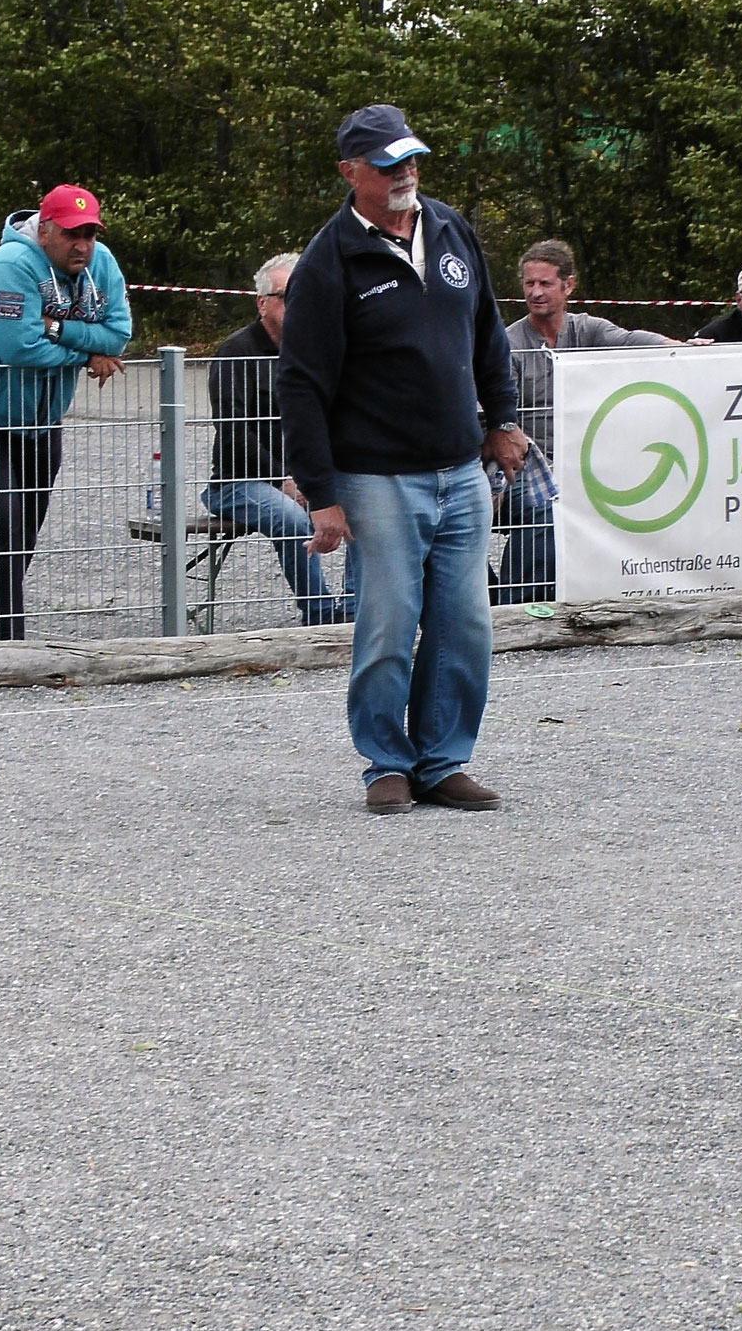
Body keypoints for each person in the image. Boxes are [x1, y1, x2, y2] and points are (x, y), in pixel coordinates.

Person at [277, 103, 528, 814]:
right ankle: (386, 761)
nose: (405, 172)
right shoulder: (328, 262)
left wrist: (502, 419)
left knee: (464, 623)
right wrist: (322, 493)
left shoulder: (449, 228)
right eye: (388, 164)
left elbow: (487, 333)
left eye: (410, 158)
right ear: (349, 172)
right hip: (376, 475)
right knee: (388, 621)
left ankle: (442, 760)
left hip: (460, 468)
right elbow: (300, 384)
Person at [0, 184, 130, 642]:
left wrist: (54, 327)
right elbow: (18, 348)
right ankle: (1, 644)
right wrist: (85, 353)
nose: (81, 245)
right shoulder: (10, 265)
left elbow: (118, 334)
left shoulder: (101, 264)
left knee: (22, 530)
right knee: (1, 518)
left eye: (89, 234)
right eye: (70, 234)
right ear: (44, 231)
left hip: (40, 417)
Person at [499, 237, 671, 603]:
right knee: (545, 507)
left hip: (587, 462)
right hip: (526, 466)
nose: (536, 292)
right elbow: (501, 419)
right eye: (529, 283)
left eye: (545, 283)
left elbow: (631, 341)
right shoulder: (509, 343)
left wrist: (679, 348)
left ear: (568, 286)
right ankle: (513, 607)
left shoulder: (587, 329)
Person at [204, 252, 353, 626]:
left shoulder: (318, 350)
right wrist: (282, 479)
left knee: (367, 503)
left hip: (306, 477)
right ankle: (320, 617)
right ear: (262, 303)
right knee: (290, 518)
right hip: (240, 482)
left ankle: (355, 610)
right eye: (288, 295)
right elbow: (233, 429)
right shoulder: (235, 352)